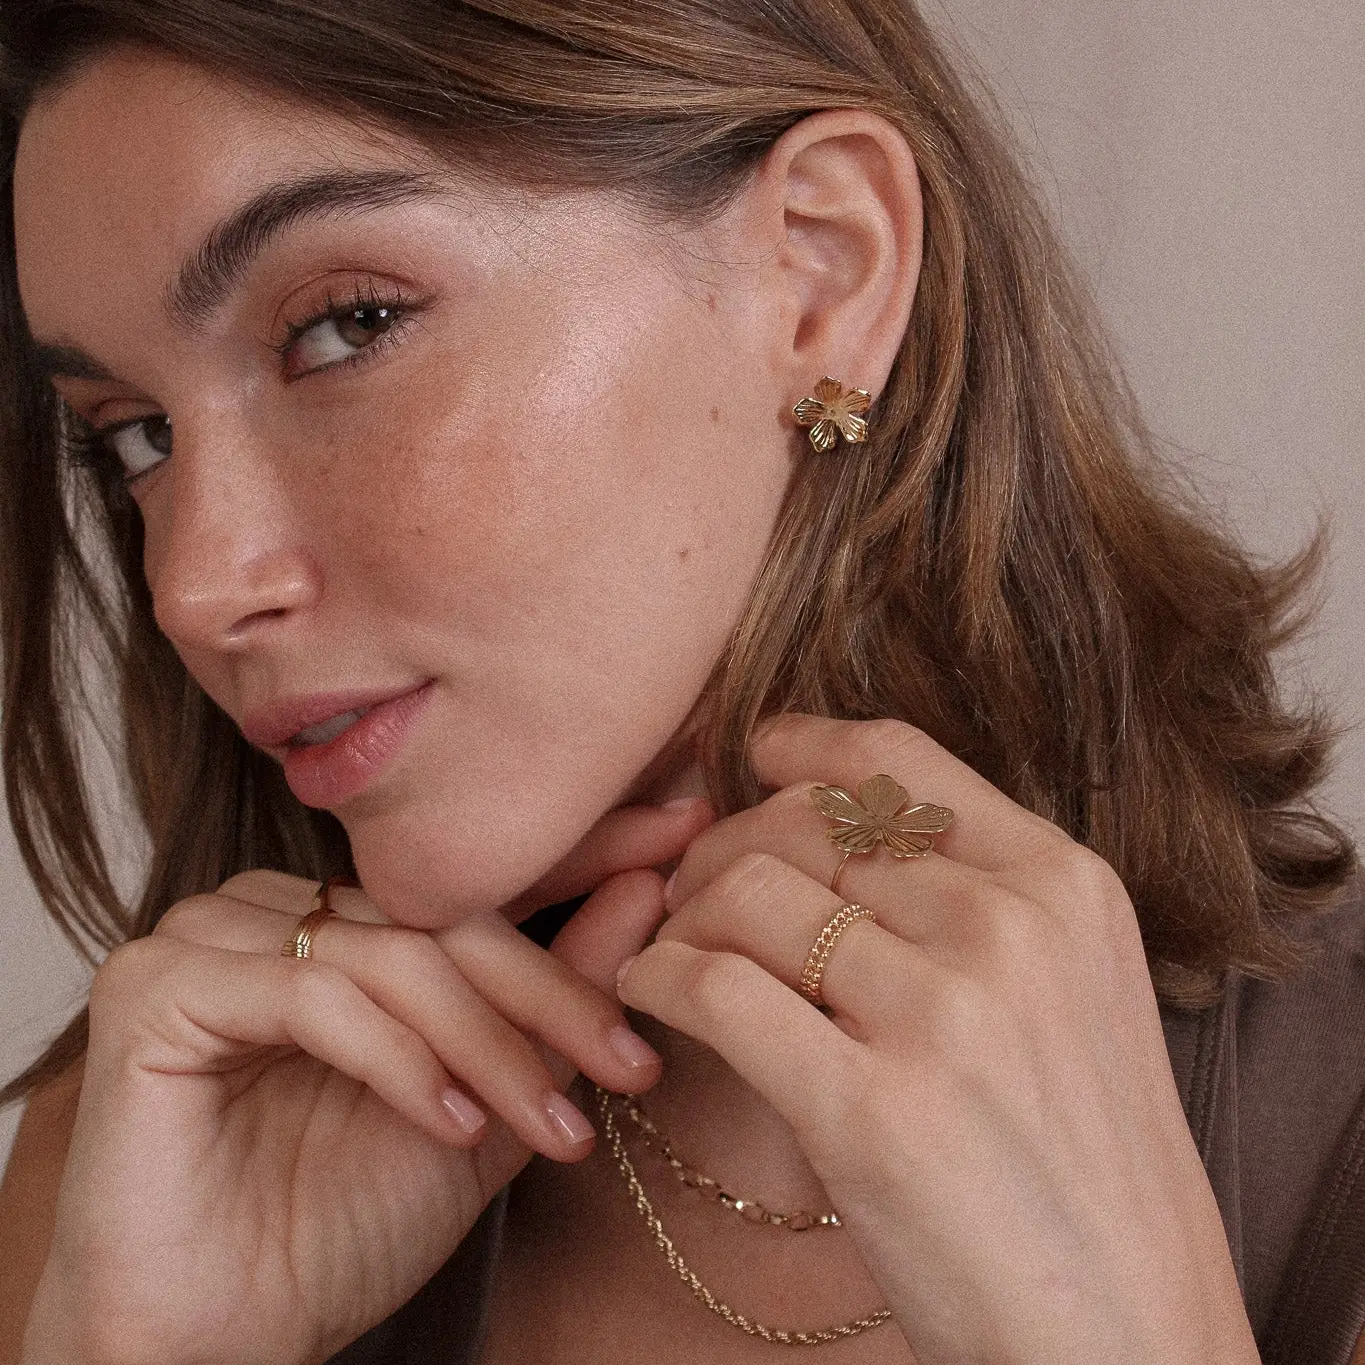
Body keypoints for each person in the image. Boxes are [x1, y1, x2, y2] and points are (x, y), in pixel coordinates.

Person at [0, 1, 1359, 1362]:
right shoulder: (154, 1172)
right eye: (135, 437)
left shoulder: (1330, 1121)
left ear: (821, 275)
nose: (194, 587)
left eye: (347, 327)